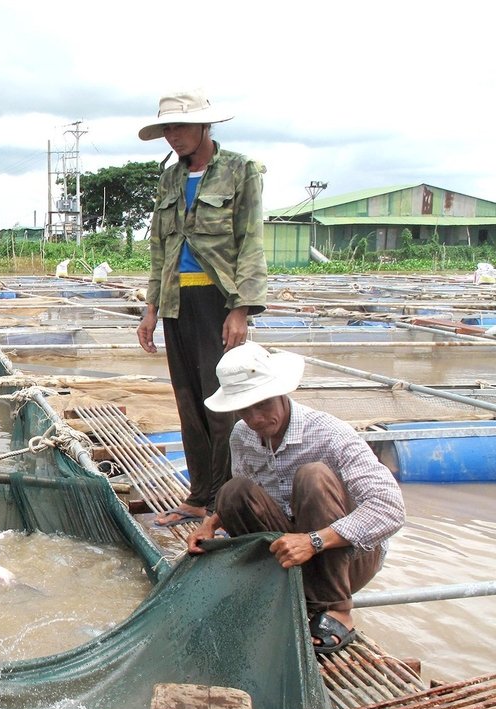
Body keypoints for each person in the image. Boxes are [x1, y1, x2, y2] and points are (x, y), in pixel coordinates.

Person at [184, 343, 406, 654]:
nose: (255, 418)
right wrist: (210, 524)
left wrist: (314, 540)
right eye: (244, 409)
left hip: (349, 560)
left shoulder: (330, 434)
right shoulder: (242, 436)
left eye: (262, 405)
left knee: (313, 476)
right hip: (292, 551)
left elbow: (390, 509)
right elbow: (244, 489)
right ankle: (285, 590)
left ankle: (336, 608)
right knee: (232, 492)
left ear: (281, 393)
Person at [135, 89, 269, 528]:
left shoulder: (240, 170)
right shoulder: (169, 179)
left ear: (204, 126)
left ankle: (221, 499)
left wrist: (241, 309)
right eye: (167, 129)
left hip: (218, 299)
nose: (173, 136)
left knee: (224, 400)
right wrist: (151, 307)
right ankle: (197, 496)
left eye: (180, 127)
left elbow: (250, 241)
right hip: (176, 300)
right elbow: (160, 247)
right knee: (188, 400)